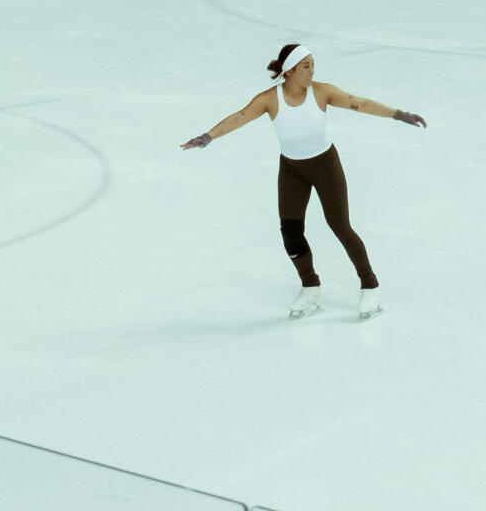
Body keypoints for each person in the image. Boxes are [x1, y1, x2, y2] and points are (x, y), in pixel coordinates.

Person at [182, 44, 426, 320]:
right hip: (291, 170)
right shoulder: (269, 100)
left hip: (325, 165)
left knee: (340, 226)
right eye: (306, 66)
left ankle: (370, 285)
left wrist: (397, 113)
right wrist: (208, 136)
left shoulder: (322, 92)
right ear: (290, 71)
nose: (312, 70)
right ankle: (310, 286)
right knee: (291, 232)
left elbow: (359, 102)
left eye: (313, 64)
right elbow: (240, 117)